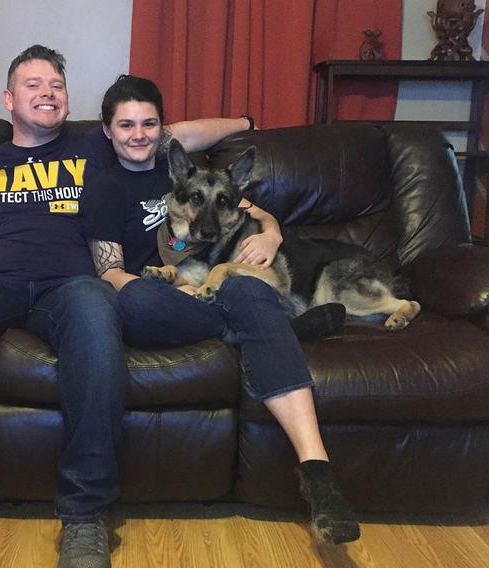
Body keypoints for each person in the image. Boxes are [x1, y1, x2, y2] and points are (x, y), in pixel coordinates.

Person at [0, 46, 254, 568]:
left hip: (70, 285)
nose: (46, 91)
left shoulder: (92, 149)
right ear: (8, 99)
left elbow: (176, 136)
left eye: (55, 83)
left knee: (99, 309)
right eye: (32, 84)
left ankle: (84, 516)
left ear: (67, 100)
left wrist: (244, 122)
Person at [80, 75, 360, 545]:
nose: (138, 134)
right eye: (126, 124)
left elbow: (249, 210)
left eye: (149, 123)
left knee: (248, 290)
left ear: (162, 128)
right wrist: (175, 294)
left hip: (221, 280)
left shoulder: (191, 175)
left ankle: (318, 474)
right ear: (108, 131)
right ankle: (282, 327)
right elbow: (110, 274)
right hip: (164, 297)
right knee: (135, 298)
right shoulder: (105, 188)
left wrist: (271, 233)